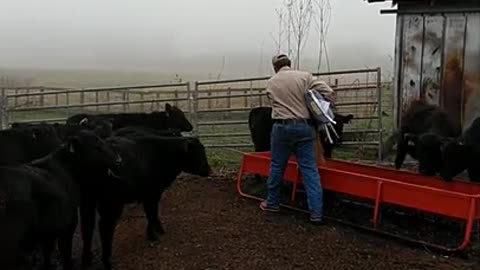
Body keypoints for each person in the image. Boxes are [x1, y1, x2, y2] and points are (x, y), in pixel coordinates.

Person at [259, 54, 324, 224]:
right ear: (289, 64)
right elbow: (328, 91)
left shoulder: (272, 82)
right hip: (304, 127)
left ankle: (272, 203)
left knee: (277, 166)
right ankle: (316, 212)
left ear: (275, 67)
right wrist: (314, 104)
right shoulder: (305, 77)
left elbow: (272, 100)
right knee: (310, 170)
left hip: (282, 127)